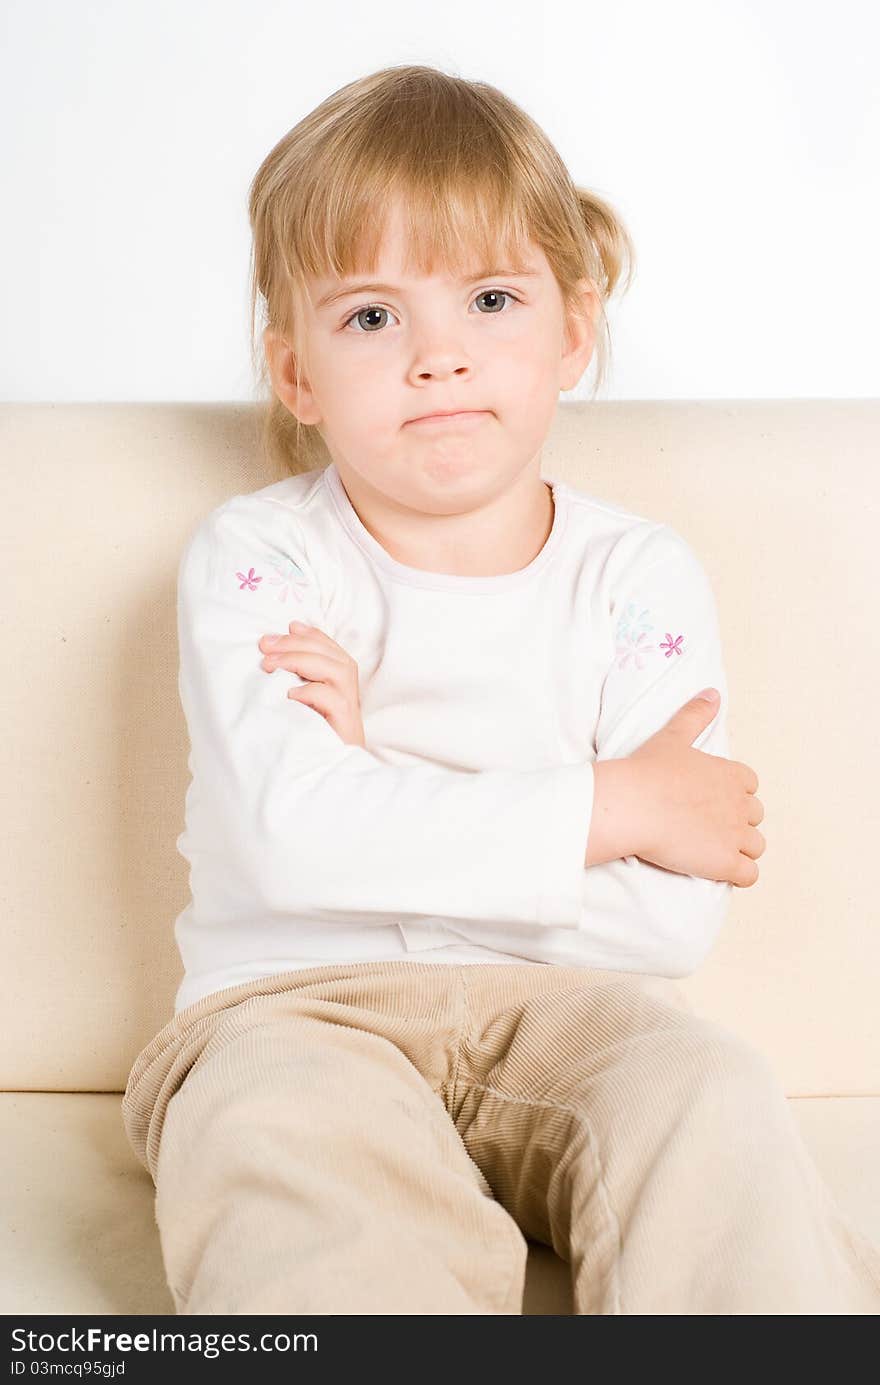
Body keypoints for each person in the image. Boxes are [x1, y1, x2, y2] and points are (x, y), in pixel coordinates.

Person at [121, 64, 880, 1315]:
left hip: (575, 1013)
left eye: (488, 299)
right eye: (370, 316)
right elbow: (286, 840)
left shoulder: (638, 574)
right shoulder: (259, 559)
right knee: (282, 1155)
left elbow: (670, 921)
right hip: (297, 1010)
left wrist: (374, 792)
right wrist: (611, 807)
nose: (437, 358)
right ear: (296, 372)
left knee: (708, 1097)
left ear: (570, 331)